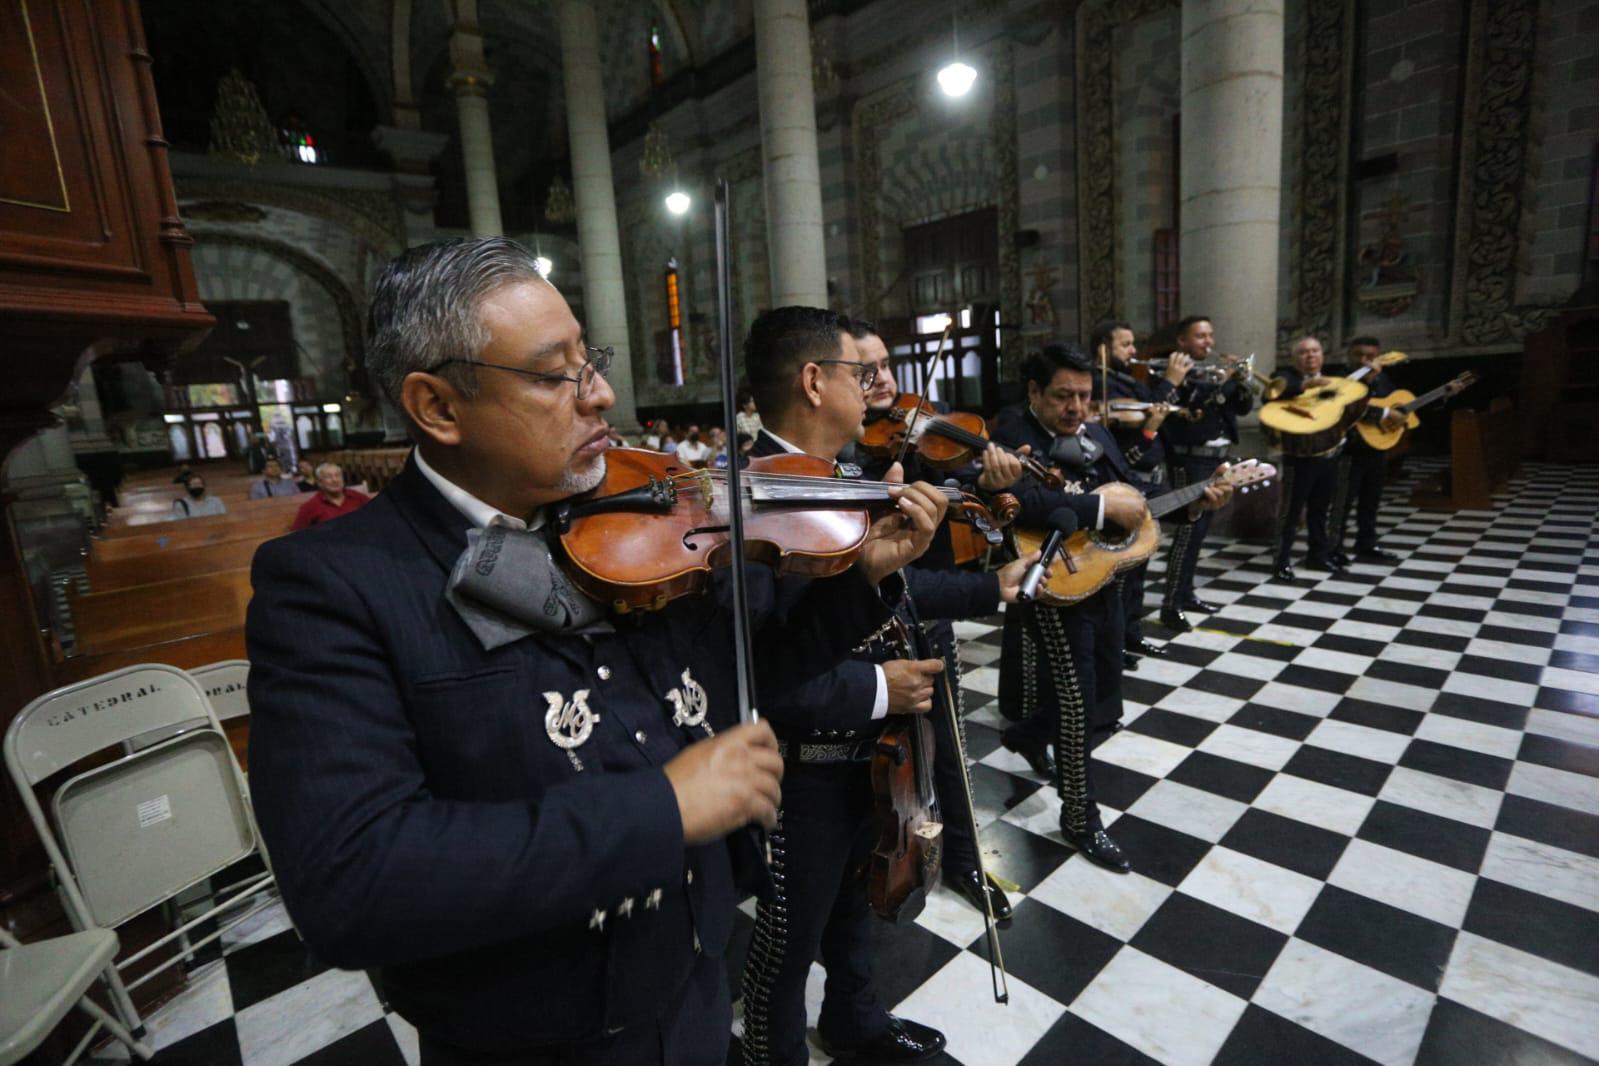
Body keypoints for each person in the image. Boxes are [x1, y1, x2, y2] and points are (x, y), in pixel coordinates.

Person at [244, 238, 946, 1066]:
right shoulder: (333, 583)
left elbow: (741, 676)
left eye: (591, 362)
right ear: (437, 406)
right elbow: (349, 881)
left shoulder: (631, 524)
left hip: (694, 989)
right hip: (537, 1040)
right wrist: (663, 808)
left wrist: (855, 579)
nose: (602, 395)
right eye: (555, 375)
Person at [737, 308, 1036, 1066]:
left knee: (855, 905)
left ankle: (855, 1021)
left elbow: (893, 590)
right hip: (799, 770)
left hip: (871, 759)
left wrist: (991, 587)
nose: (876, 388)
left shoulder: (845, 480)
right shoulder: (747, 504)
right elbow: (755, 674)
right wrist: (877, 689)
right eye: (859, 372)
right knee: (788, 939)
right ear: (814, 382)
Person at [993, 342, 1230, 872]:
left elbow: (1136, 496)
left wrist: (1193, 502)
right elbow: (1020, 502)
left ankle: (1026, 735)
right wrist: (1099, 508)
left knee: (1101, 687)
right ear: (1034, 392)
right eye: (1063, 396)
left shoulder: (1096, 434)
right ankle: (1080, 817)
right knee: (1077, 703)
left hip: (1104, 578)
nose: (1076, 407)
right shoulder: (1013, 433)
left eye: (1084, 395)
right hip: (1053, 581)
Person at [848, 316, 1026, 922]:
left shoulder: (926, 440)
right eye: (864, 370)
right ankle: (881, 864)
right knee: (882, 761)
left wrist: (994, 488)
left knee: (948, 744)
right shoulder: (845, 452)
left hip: (932, 613)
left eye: (886, 366)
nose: (882, 380)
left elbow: (971, 494)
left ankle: (965, 860)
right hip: (863, 630)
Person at [1089, 318, 1181, 667]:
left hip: (1147, 480)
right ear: (1103, 349)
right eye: (1125, 344)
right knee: (1122, 571)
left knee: (1140, 564)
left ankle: (1132, 634)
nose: (1132, 350)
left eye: (1133, 343)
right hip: (1124, 482)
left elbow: (1151, 407)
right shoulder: (1102, 386)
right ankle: (1115, 644)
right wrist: (1168, 388)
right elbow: (1125, 448)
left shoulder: (1130, 382)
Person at [1157, 315, 1251, 633]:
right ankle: (1171, 605)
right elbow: (1196, 404)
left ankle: (1186, 593)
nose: (1208, 342)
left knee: (1201, 532)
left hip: (1217, 458)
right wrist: (1226, 380)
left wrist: (1240, 381)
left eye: (1210, 335)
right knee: (1187, 532)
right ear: (1182, 341)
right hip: (1189, 459)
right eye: (1200, 336)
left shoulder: (1214, 372)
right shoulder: (1175, 371)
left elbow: (1241, 408)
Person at [1271, 337, 1346, 582]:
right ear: (1295, 358)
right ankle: (1281, 560)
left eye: (1315, 351)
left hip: (1329, 454)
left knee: (1320, 509)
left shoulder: (1334, 380)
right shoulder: (1285, 377)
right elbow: (1272, 395)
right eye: (1304, 352)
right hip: (1299, 457)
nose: (1310, 355)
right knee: (1291, 512)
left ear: (1322, 355)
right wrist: (1305, 385)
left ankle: (1318, 555)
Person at [1330, 335, 1404, 566]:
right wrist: (1370, 385)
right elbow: (1352, 408)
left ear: (1377, 357)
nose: (1363, 361)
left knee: (1371, 501)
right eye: (1358, 355)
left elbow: (1392, 404)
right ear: (1348, 355)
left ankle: (1367, 544)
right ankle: (1333, 548)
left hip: (1376, 447)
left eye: (1369, 356)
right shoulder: (1340, 379)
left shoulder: (1382, 379)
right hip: (1349, 449)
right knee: (1342, 502)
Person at [291, 462, 371, 530]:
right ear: (319, 482)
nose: (335, 480)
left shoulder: (358, 497)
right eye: (328, 477)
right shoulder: (309, 507)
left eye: (338, 475)